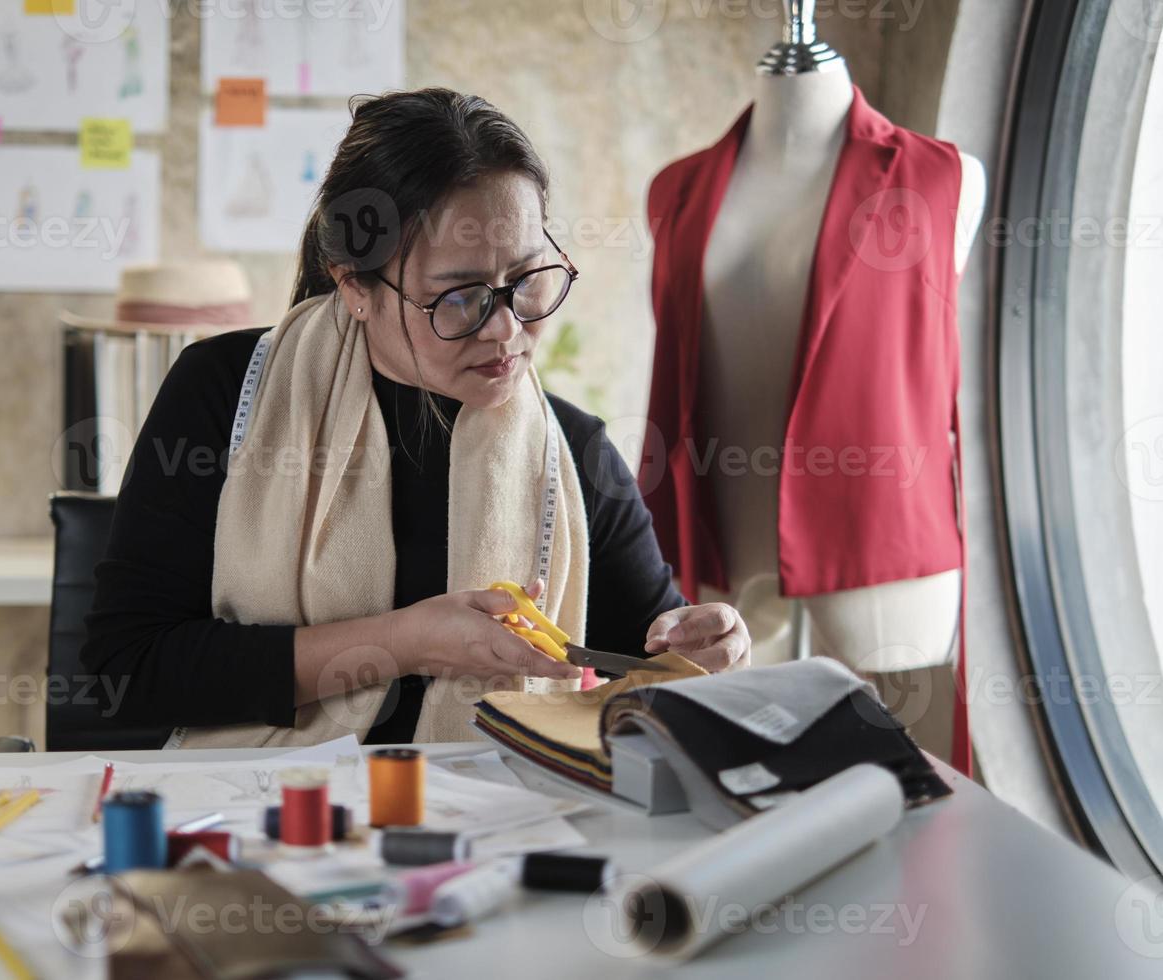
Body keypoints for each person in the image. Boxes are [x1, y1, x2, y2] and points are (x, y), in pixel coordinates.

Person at [82, 88, 751, 748]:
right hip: (262, 815)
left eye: (528, 279)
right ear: (353, 286)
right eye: (459, 298)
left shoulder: (571, 455)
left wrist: (703, 645)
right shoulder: (229, 396)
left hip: (494, 827)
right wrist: (403, 643)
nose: (505, 330)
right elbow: (129, 669)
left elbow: (650, 657)